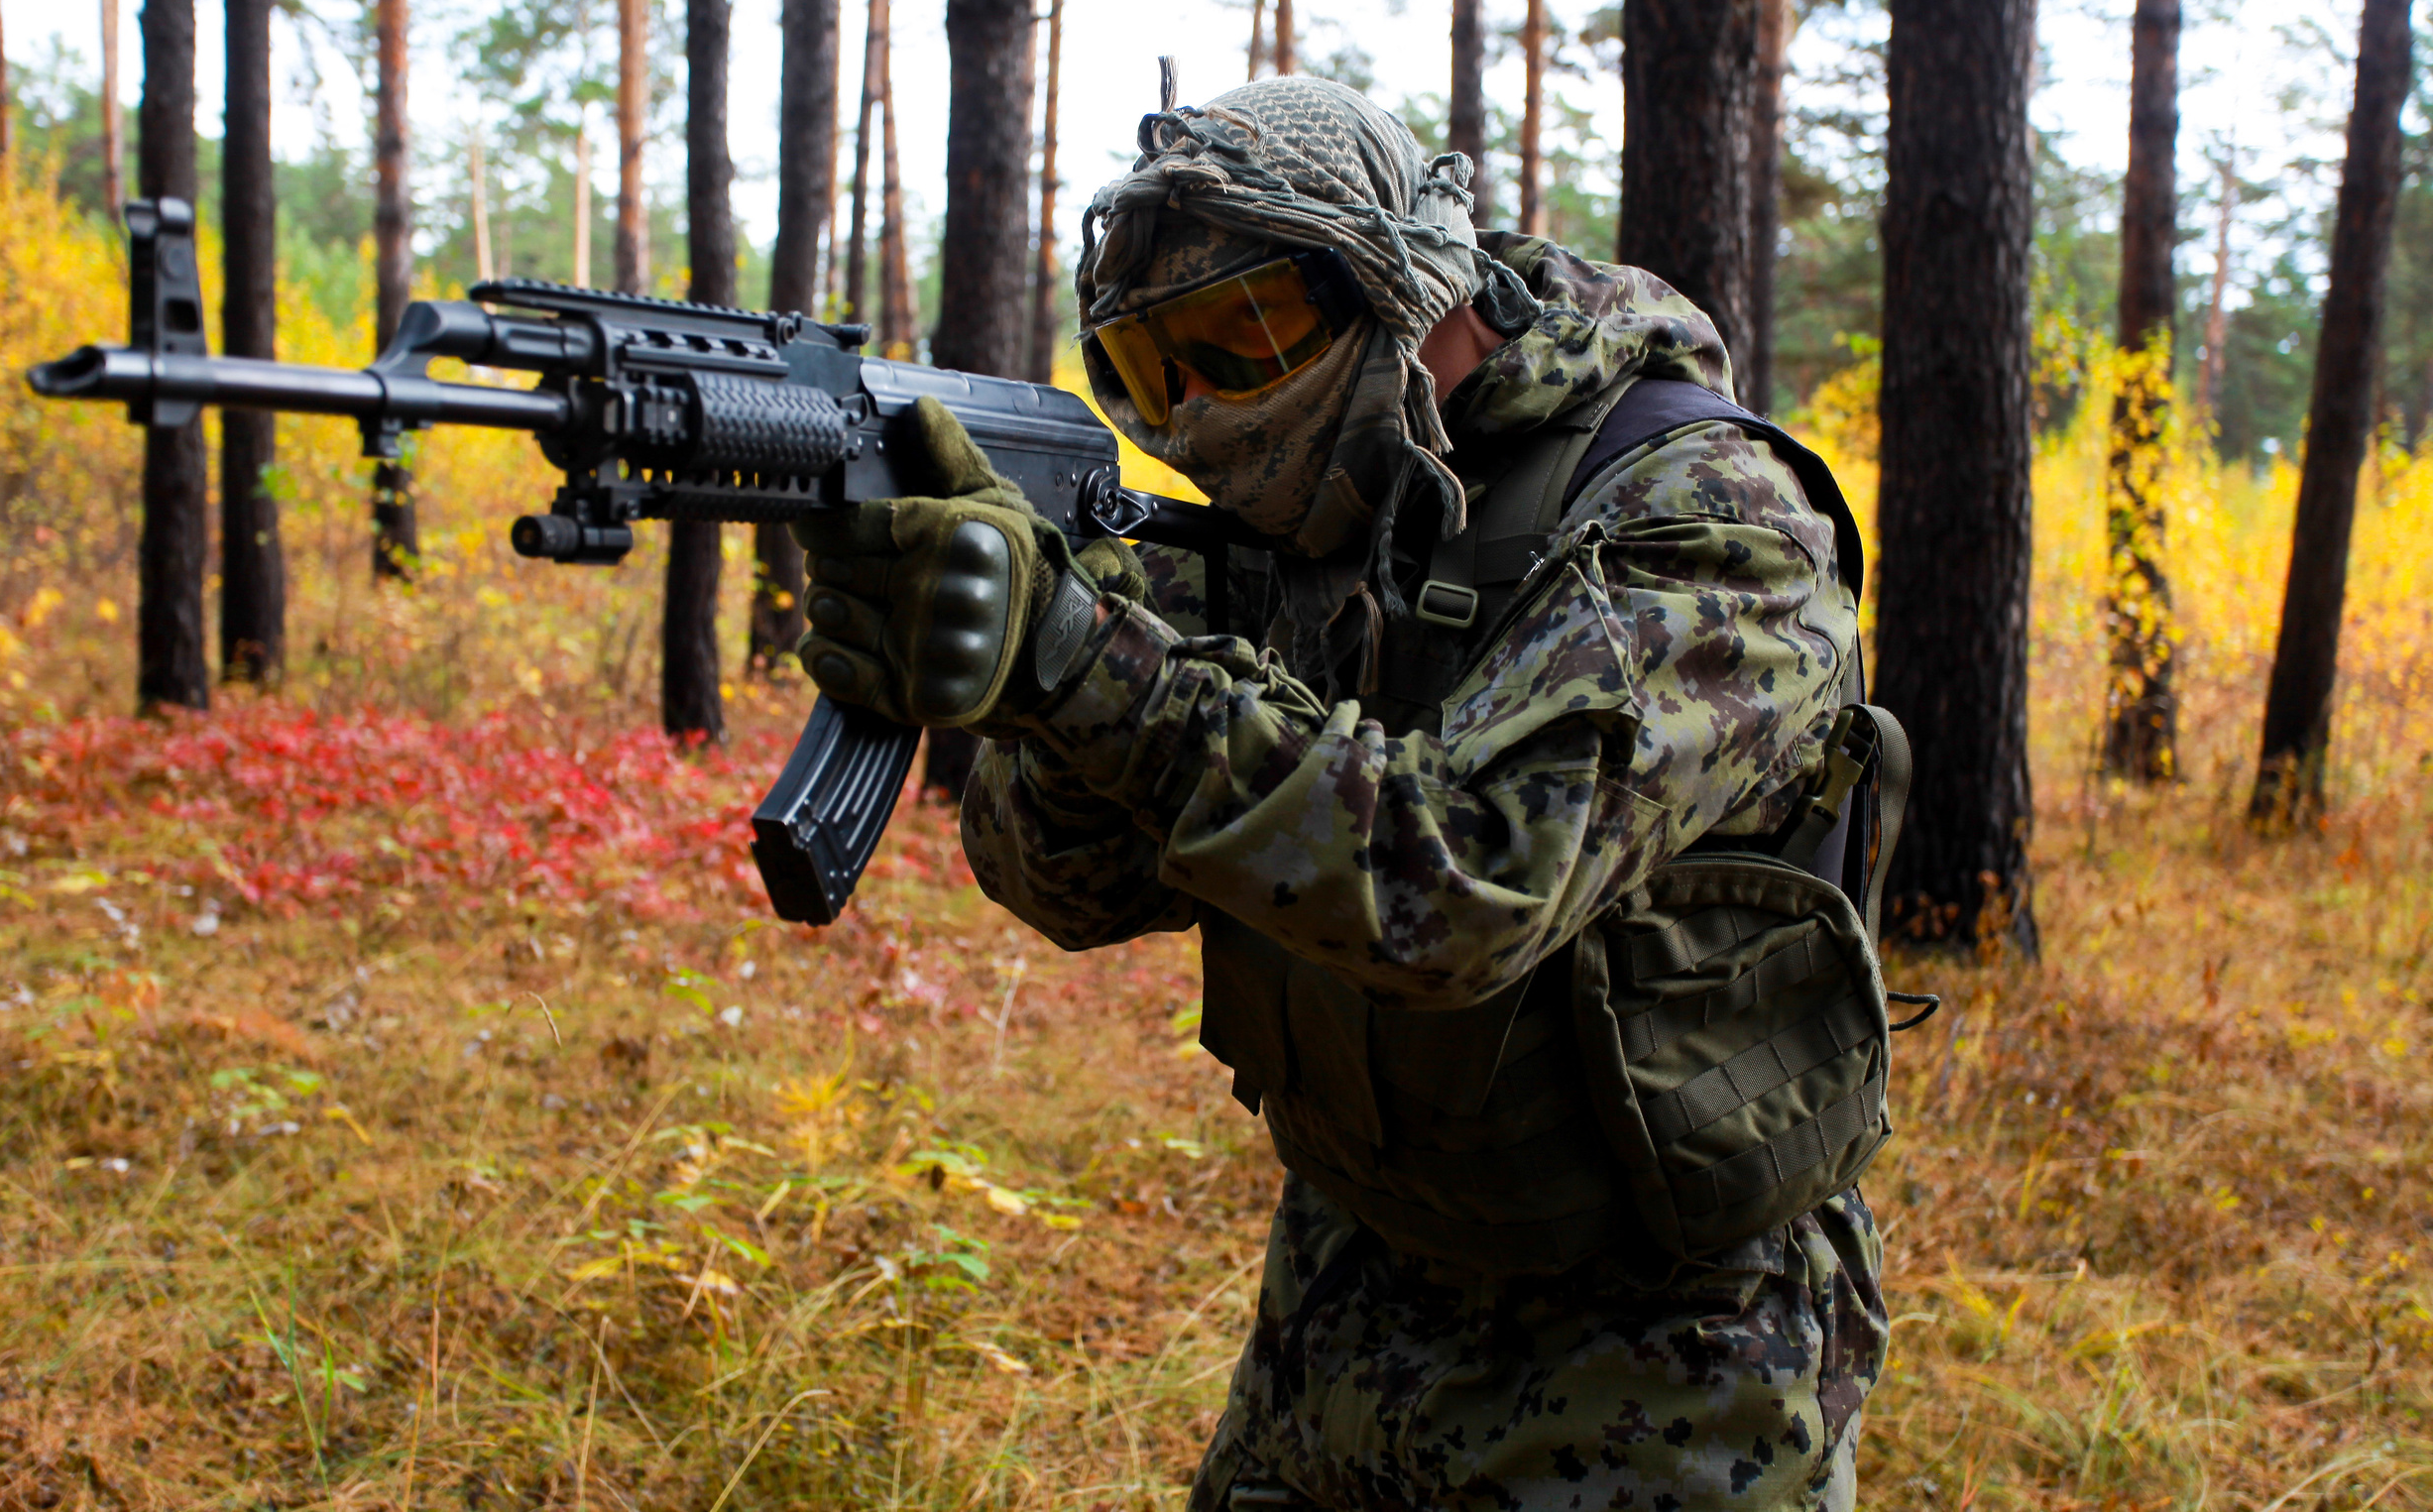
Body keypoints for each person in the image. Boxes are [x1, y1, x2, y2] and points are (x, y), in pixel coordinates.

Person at [792, 75, 1888, 1511]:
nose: (1195, 411)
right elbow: (1072, 891)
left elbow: (1461, 883)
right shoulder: (1305, 517)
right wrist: (1030, 687)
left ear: (1403, 286)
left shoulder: (1704, 519)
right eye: (1148, 363)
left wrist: (1080, 660)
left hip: (1666, 1347)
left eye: (1243, 340)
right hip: (1352, 1270)